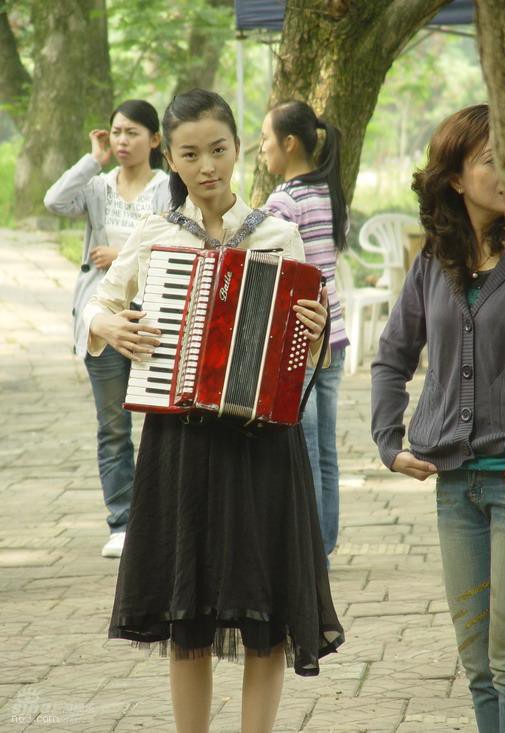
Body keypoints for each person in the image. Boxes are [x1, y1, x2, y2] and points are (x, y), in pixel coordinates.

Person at [82, 89, 344, 733]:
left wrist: (313, 333)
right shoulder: (156, 234)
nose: (207, 166)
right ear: (170, 159)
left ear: (237, 150)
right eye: (191, 154)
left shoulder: (278, 234)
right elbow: (98, 305)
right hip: (181, 441)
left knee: (266, 612)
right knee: (187, 612)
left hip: (262, 445)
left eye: (218, 150)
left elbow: (307, 354)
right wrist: (108, 326)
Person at [371, 103, 505, 732]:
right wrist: (388, 441)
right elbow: (392, 355)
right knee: (478, 666)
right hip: (454, 488)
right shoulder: (433, 261)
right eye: (492, 160)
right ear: (454, 177)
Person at [44, 100, 171, 558]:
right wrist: (91, 160)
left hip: (154, 316)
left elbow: (177, 240)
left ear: (154, 140)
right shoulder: (98, 187)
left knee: (163, 423)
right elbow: (55, 201)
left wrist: (121, 255)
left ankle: (161, 520)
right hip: (102, 319)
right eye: (116, 132)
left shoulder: (166, 189)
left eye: (132, 132)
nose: (122, 140)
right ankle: (122, 522)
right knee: (114, 426)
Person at [261, 100, 349, 561]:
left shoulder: (284, 201)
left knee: (307, 447)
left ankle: (309, 551)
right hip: (334, 331)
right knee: (326, 449)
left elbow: (272, 272)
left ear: (289, 143)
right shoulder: (329, 190)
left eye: (265, 139)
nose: (262, 149)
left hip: (304, 337)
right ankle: (325, 544)